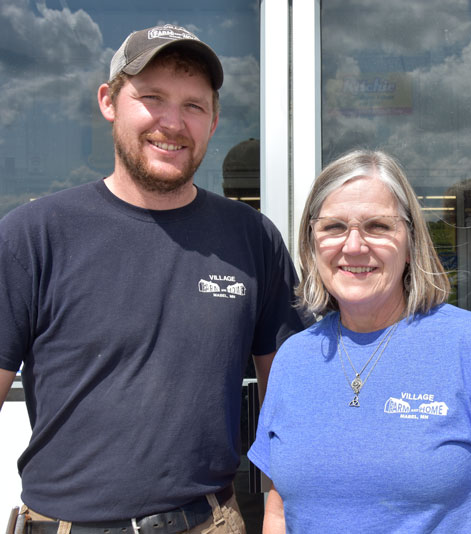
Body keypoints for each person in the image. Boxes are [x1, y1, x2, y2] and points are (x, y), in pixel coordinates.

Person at [0, 24, 307, 533]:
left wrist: (278, 512)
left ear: (213, 120)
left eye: (194, 105)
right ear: (108, 101)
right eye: (152, 97)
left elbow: (290, 400)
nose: (173, 122)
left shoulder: (252, 239)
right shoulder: (33, 235)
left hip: (209, 523)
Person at [247, 149, 471, 533]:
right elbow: (279, 511)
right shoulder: (294, 359)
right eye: (334, 227)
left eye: (378, 226)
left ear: (411, 243)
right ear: (312, 242)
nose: (355, 246)